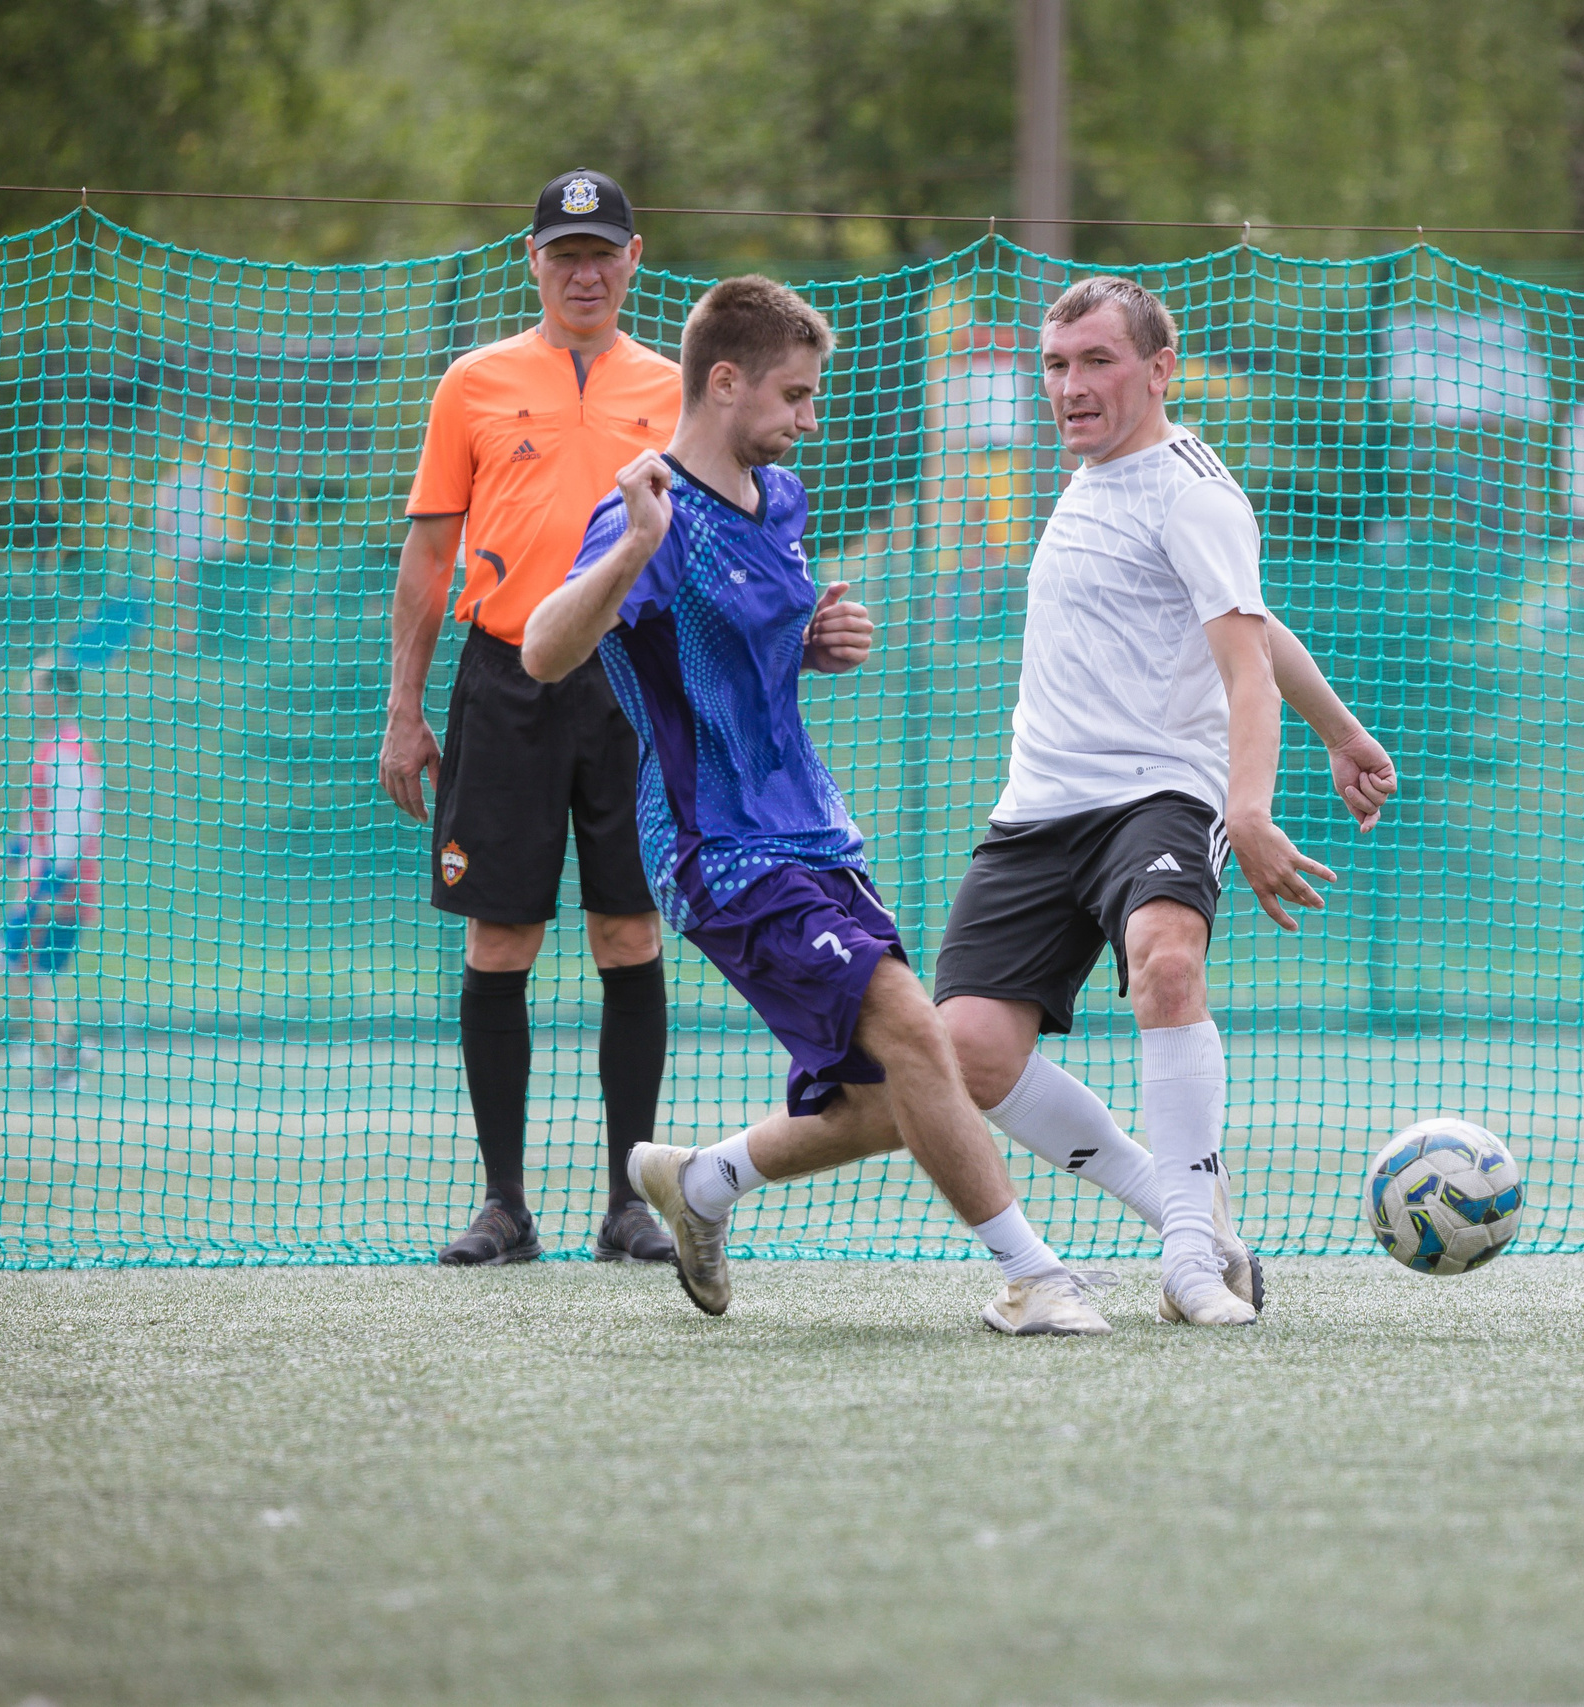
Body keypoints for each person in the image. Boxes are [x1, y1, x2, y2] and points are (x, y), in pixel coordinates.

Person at [522, 274, 1113, 1337]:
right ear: (725, 382)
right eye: (794, 395)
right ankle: (1033, 1276)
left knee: (891, 1095)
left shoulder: (781, 500)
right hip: (723, 852)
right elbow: (543, 649)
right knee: (916, 1031)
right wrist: (634, 549)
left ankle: (704, 1181)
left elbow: (734, 646)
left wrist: (810, 644)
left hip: (816, 835)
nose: (810, 417)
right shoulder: (646, 511)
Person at [932, 275, 1396, 1327]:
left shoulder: (1192, 488)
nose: (1071, 387)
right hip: (1040, 803)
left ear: (1159, 369)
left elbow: (1243, 667)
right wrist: (1341, 730)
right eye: (1056, 365)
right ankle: (1188, 1216)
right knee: (968, 1049)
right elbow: (1252, 617)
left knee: (1168, 962)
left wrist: (1248, 809)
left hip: (1159, 792)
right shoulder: (1094, 473)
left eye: (1097, 362)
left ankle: (1188, 1268)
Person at [377, 169, 683, 1267]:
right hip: (504, 680)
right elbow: (429, 554)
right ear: (534, 261)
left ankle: (628, 1203)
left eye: (602, 253)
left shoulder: (678, 388)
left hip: (634, 682)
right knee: (500, 936)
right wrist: (405, 707)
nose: (584, 273)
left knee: (629, 933)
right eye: (565, 254)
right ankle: (504, 1205)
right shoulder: (473, 382)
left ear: (633, 258)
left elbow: (715, 546)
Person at [2, 656, 102, 1087]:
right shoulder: (53, 746)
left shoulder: (68, 751)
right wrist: (10, 855)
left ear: (58, 693)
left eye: (36, 687)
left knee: (19, 971)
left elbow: (74, 827)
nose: (27, 695)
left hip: (59, 885)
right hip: (48, 881)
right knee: (28, 973)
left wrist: (48, 886)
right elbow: (38, 822)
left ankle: (65, 1057)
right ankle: (63, 1052)